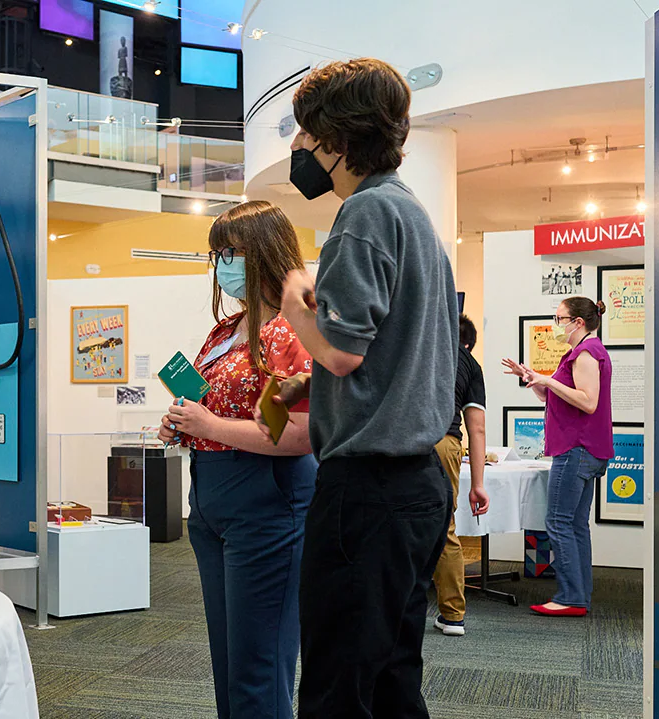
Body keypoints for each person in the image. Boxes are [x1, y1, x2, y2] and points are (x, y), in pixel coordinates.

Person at [262, 58, 458, 718]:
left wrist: (293, 305)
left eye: (305, 132)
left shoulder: (366, 213)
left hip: (368, 495)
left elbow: (344, 354)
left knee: (337, 684)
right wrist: (308, 380)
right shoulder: (410, 213)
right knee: (392, 677)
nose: (298, 148)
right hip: (416, 486)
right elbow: (380, 359)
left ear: (336, 138)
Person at [157, 201, 317, 719]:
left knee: (258, 666)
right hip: (211, 500)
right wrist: (184, 420)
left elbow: (298, 435)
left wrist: (210, 427)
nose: (223, 263)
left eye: (233, 251)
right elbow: (208, 403)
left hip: (266, 498)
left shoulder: (293, 331)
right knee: (229, 660)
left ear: (265, 252)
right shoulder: (229, 328)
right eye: (217, 253)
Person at [502, 298, 613, 617]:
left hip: (576, 449)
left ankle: (570, 596)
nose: (556, 325)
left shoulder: (586, 354)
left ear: (578, 322)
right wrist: (533, 378)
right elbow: (558, 397)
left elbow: (588, 402)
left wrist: (548, 379)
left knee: (559, 521)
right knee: (575, 523)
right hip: (583, 448)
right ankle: (578, 594)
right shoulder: (583, 353)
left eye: (560, 319)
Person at [432, 314, 491, 637]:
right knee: (445, 528)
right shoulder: (470, 364)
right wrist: (478, 484)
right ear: (468, 342)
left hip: (404, 440)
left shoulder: (417, 345)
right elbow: (477, 428)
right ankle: (453, 615)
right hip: (445, 443)